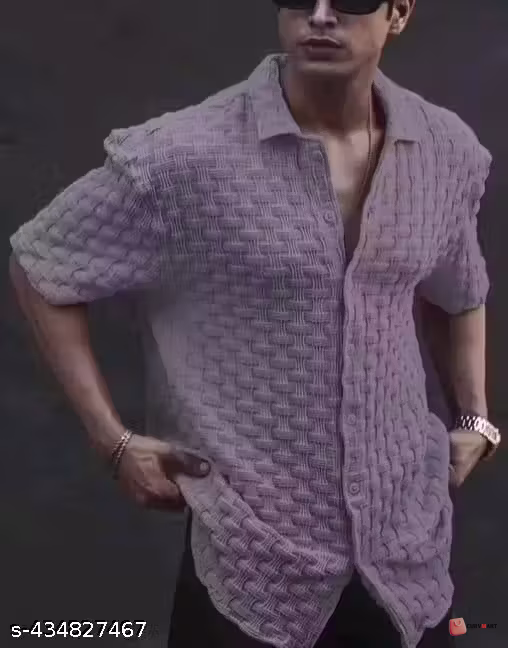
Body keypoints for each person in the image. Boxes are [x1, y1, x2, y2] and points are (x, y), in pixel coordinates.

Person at [8, 1, 500, 647]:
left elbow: (458, 288)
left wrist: (475, 419)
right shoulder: (184, 155)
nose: (319, 16)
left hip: (406, 548)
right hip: (253, 560)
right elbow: (40, 264)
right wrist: (113, 440)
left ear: (399, 12)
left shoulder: (445, 150)